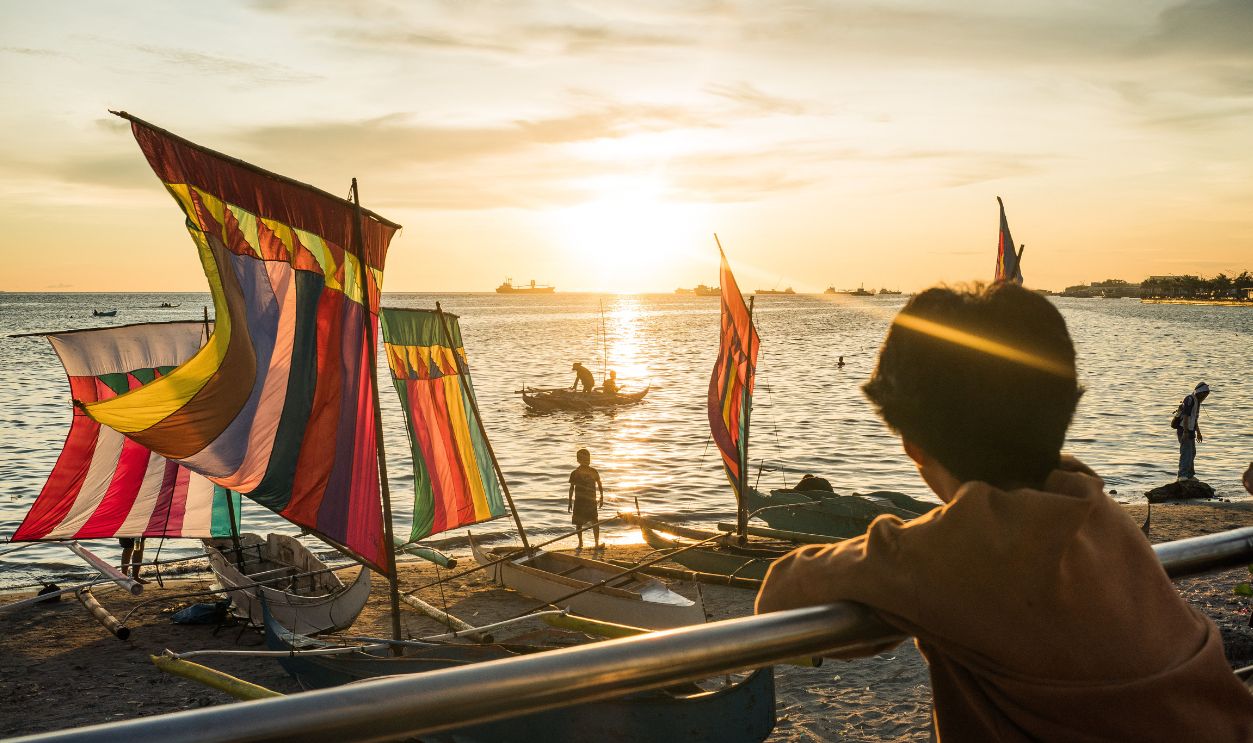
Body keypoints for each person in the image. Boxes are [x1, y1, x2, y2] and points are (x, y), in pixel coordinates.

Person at [755, 282, 1253, 741]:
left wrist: (900, 545)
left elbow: (779, 597)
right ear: (1066, 409)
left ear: (911, 444)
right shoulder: (1094, 506)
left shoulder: (959, 550)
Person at [1172, 382, 1210, 481]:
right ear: (1201, 392)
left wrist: (1199, 432)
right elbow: (1185, 416)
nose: (1205, 396)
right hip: (1183, 429)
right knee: (1186, 452)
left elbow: (1194, 419)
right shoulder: (1190, 399)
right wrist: (1185, 431)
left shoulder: (1197, 402)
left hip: (1191, 430)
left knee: (1192, 452)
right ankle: (1182, 475)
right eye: (1205, 394)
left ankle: (1189, 475)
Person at [567, 448, 604, 550]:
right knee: (579, 523)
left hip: (591, 501)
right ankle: (580, 543)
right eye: (583, 458)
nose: (586, 460)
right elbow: (571, 488)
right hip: (579, 501)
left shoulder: (593, 471)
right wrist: (570, 502)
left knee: (595, 521)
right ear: (578, 460)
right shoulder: (575, 473)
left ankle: (596, 543)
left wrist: (601, 497)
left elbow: (599, 484)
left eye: (587, 458)